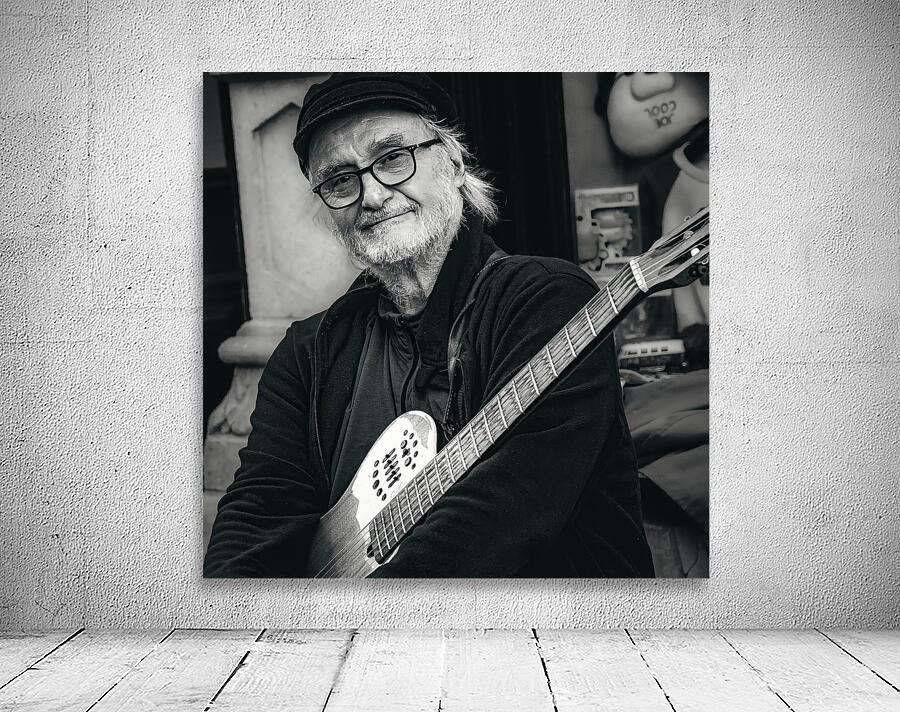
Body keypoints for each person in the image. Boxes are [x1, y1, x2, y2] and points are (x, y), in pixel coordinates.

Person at [203, 73, 654, 578]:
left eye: (394, 157)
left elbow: (502, 512)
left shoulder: (549, 300)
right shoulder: (307, 352)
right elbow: (258, 511)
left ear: (455, 163)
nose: (371, 195)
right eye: (340, 180)